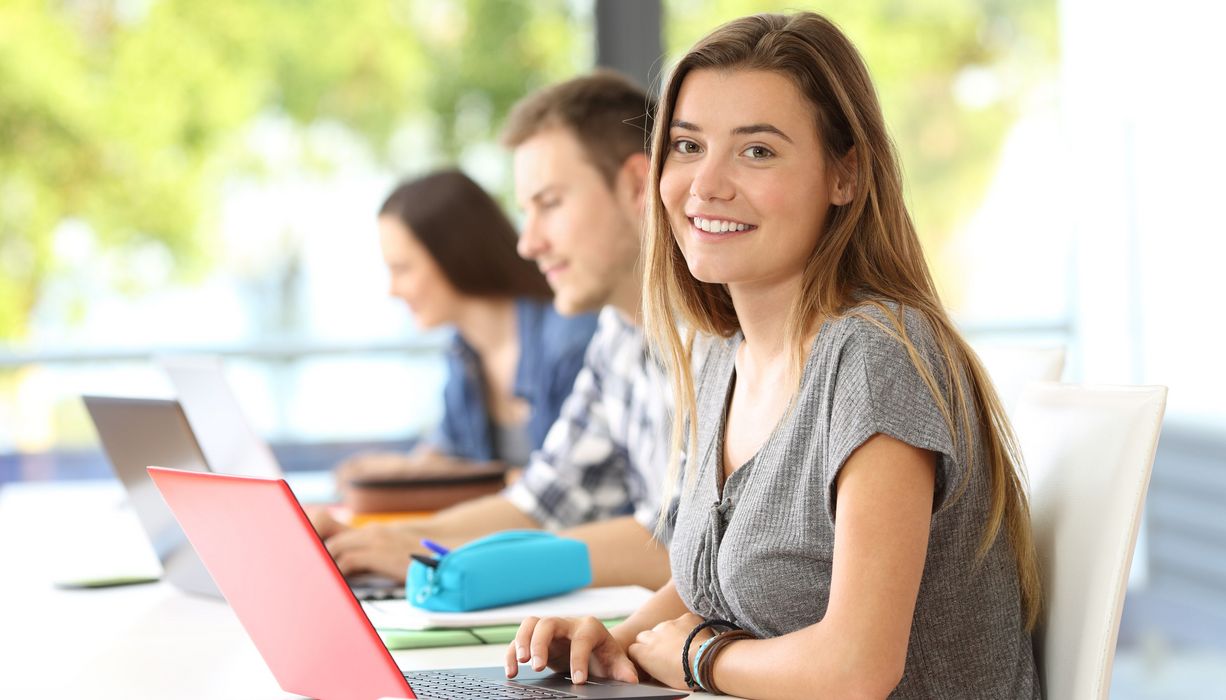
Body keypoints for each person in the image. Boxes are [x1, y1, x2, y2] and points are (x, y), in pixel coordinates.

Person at [506, 12, 1042, 698]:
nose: (706, 184)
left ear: (844, 175)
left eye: (757, 151)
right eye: (688, 145)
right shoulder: (721, 356)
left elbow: (857, 670)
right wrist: (617, 643)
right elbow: (714, 578)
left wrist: (699, 656)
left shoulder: (876, 359)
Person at [318, 72, 677, 590]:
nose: (528, 243)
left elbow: (688, 548)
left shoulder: (724, 338)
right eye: (525, 210)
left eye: (550, 203)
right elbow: (541, 503)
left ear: (637, 187)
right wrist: (400, 539)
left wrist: (448, 559)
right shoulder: (617, 339)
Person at [334, 170, 597, 485]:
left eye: (402, 268)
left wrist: (467, 481)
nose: (392, 290)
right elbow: (448, 452)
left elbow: (569, 490)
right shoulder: (464, 354)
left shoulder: (572, 341)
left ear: (453, 256)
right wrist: (399, 471)